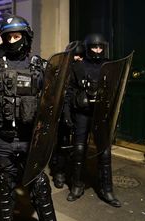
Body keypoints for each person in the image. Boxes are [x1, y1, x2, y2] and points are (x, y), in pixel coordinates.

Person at [0, 15, 68, 221]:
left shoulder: (40, 66)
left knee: (39, 182)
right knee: (3, 183)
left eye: (17, 36)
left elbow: (53, 101)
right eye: (9, 36)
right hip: (2, 138)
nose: (13, 40)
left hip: (30, 139)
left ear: (26, 37)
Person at [63, 33, 121, 207]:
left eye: (100, 47)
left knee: (104, 151)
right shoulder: (79, 66)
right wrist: (67, 112)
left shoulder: (109, 66)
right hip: (82, 113)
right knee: (79, 149)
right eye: (94, 47)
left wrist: (116, 117)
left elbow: (116, 93)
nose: (97, 50)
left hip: (101, 114)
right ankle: (76, 185)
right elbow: (69, 90)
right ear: (88, 49)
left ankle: (107, 189)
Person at [51, 41, 85, 189]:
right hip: (62, 111)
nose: (78, 58)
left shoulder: (83, 70)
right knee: (62, 144)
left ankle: (74, 174)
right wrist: (65, 113)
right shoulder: (61, 70)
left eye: (81, 56)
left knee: (77, 146)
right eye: (75, 55)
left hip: (78, 111)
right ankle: (59, 173)